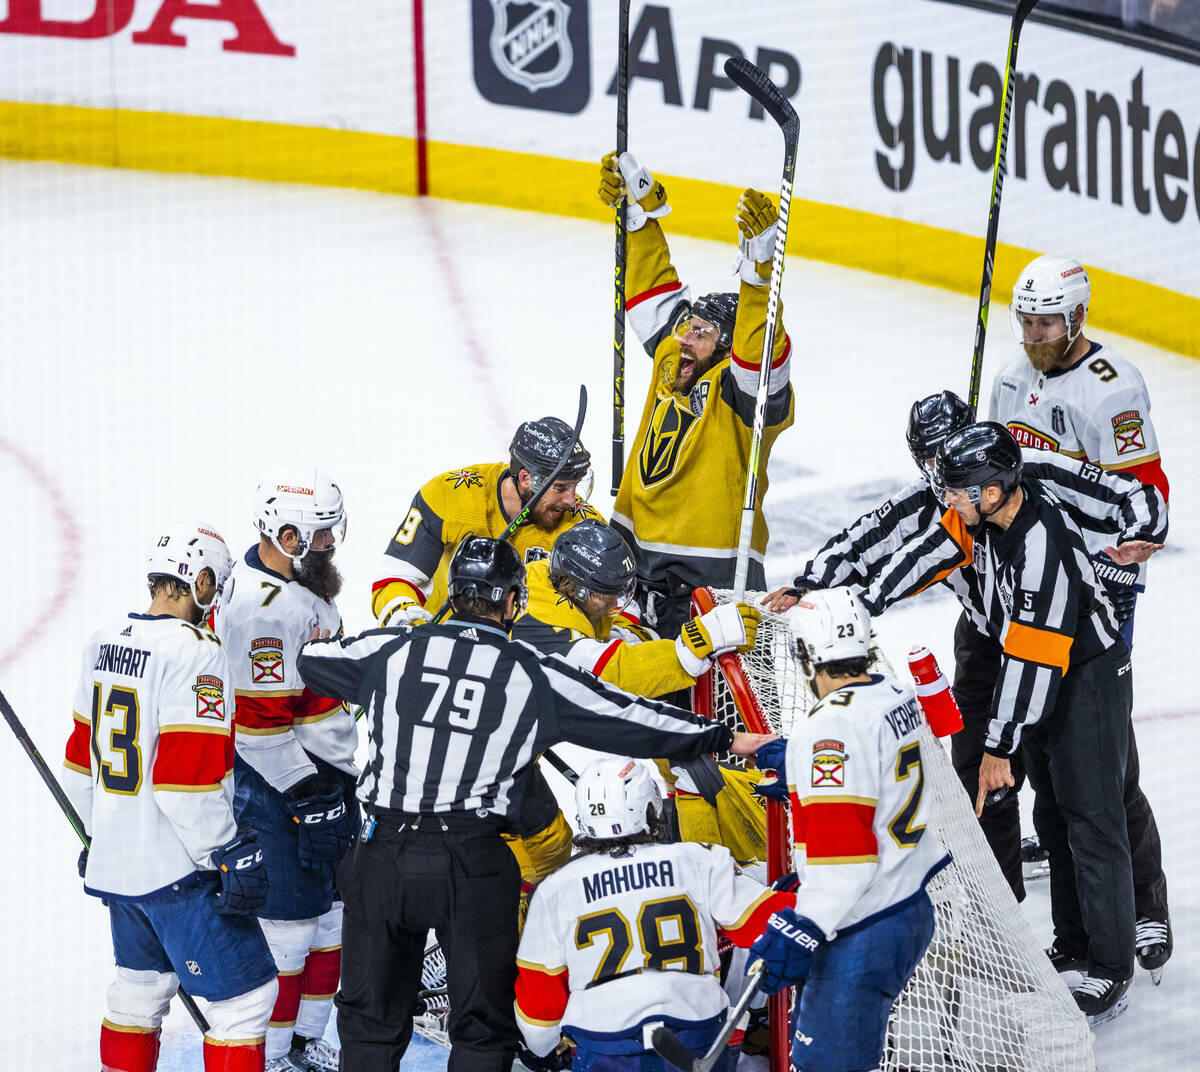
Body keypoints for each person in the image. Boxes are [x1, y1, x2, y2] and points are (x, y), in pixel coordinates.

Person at [295, 536, 773, 1072]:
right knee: (482, 1030)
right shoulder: (529, 670)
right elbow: (626, 717)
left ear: (454, 594)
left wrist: (404, 633)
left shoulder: (394, 650)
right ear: (511, 602)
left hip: (382, 857)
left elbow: (312, 659)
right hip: (472, 863)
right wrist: (718, 738)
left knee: (369, 1024)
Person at [763, 391, 1169, 936]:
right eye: (928, 460)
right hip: (986, 642)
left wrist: (1140, 535)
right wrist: (812, 582)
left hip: (1071, 643)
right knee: (983, 776)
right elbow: (870, 542)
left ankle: (1145, 910)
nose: (938, 473)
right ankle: (1001, 917)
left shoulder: (1029, 473)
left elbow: (1128, 493)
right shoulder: (941, 499)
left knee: (1106, 783)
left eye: (947, 458)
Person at [859, 423, 1138, 1022]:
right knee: (1054, 813)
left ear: (992, 490)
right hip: (1051, 670)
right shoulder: (995, 520)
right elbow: (929, 563)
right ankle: (1074, 945)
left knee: (1092, 816)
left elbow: (1033, 661)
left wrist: (998, 746)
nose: (950, 503)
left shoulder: (1042, 545)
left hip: (1087, 674)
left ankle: (1112, 967)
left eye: (959, 492)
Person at [992, 256, 1173, 971]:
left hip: (1097, 596)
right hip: (1031, 585)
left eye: (1047, 322)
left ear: (1078, 319)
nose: (1035, 335)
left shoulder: (1113, 390)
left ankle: (1146, 905)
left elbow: (1145, 501)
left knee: (1106, 760)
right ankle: (1086, 877)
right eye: (1027, 321)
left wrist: (1113, 569)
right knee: (1056, 750)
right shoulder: (1012, 376)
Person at [63, 523, 278, 1072]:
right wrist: (223, 853)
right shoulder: (196, 653)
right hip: (179, 873)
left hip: (119, 870)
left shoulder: (101, 640)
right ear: (200, 580)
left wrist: (100, 836)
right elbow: (187, 783)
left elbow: (76, 765)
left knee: (137, 995)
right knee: (247, 1003)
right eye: (215, 586)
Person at [747, 587, 948, 1072]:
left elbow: (846, 860)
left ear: (807, 652)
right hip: (909, 905)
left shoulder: (828, 729)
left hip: (864, 924)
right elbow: (871, 773)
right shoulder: (892, 693)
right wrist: (801, 763)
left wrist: (803, 924)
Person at [598, 151, 795, 638]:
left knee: (714, 713)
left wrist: (759, 276)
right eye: (686, 325)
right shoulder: (676, 358)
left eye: (701, 331)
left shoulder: (741, 394)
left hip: (711, 587)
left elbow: (760, 351)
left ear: (725, 348)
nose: (684, 337)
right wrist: (638, 215)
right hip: (632, 569)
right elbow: (651, 292)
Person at [511, 517, 769, 869]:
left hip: (522, 729)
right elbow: (610, 679)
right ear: (574, 588)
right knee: (537, 852)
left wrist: (636, 642)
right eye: (609, 594)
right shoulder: (541, 620)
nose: (617, 602)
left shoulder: (558, 583)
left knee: (554, 843)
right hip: (479, 755)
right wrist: (687, 650)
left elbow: (616, 632)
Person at [513, 756, 795, 1071]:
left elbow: (538, 1022)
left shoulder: (555, 890)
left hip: (605, 1044)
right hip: (695, 1033)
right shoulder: (698, 860)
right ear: (651, 807)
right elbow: (774, 923)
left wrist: (549, 1049)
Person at [213, 469, 358, 1072]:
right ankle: (272, 1055)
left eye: (330, 533)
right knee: (290, 927)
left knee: (330, 920)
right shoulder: (262, 610)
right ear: (284, 533)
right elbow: (258, 729)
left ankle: (304, 1043)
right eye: (318, 537)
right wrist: (308, 795)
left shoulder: (295, 584)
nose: (329, 546)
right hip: (279, 786)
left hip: (320, 776)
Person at [370, 415, 604, 627]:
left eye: (576, 485)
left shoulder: (586, 528)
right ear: (525, 479)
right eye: (561, 487)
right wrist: (414, 627)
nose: (572, 500)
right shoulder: (450, 496)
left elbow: (618, 608)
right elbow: (395, 579)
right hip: (449, 644)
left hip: (530, 660)